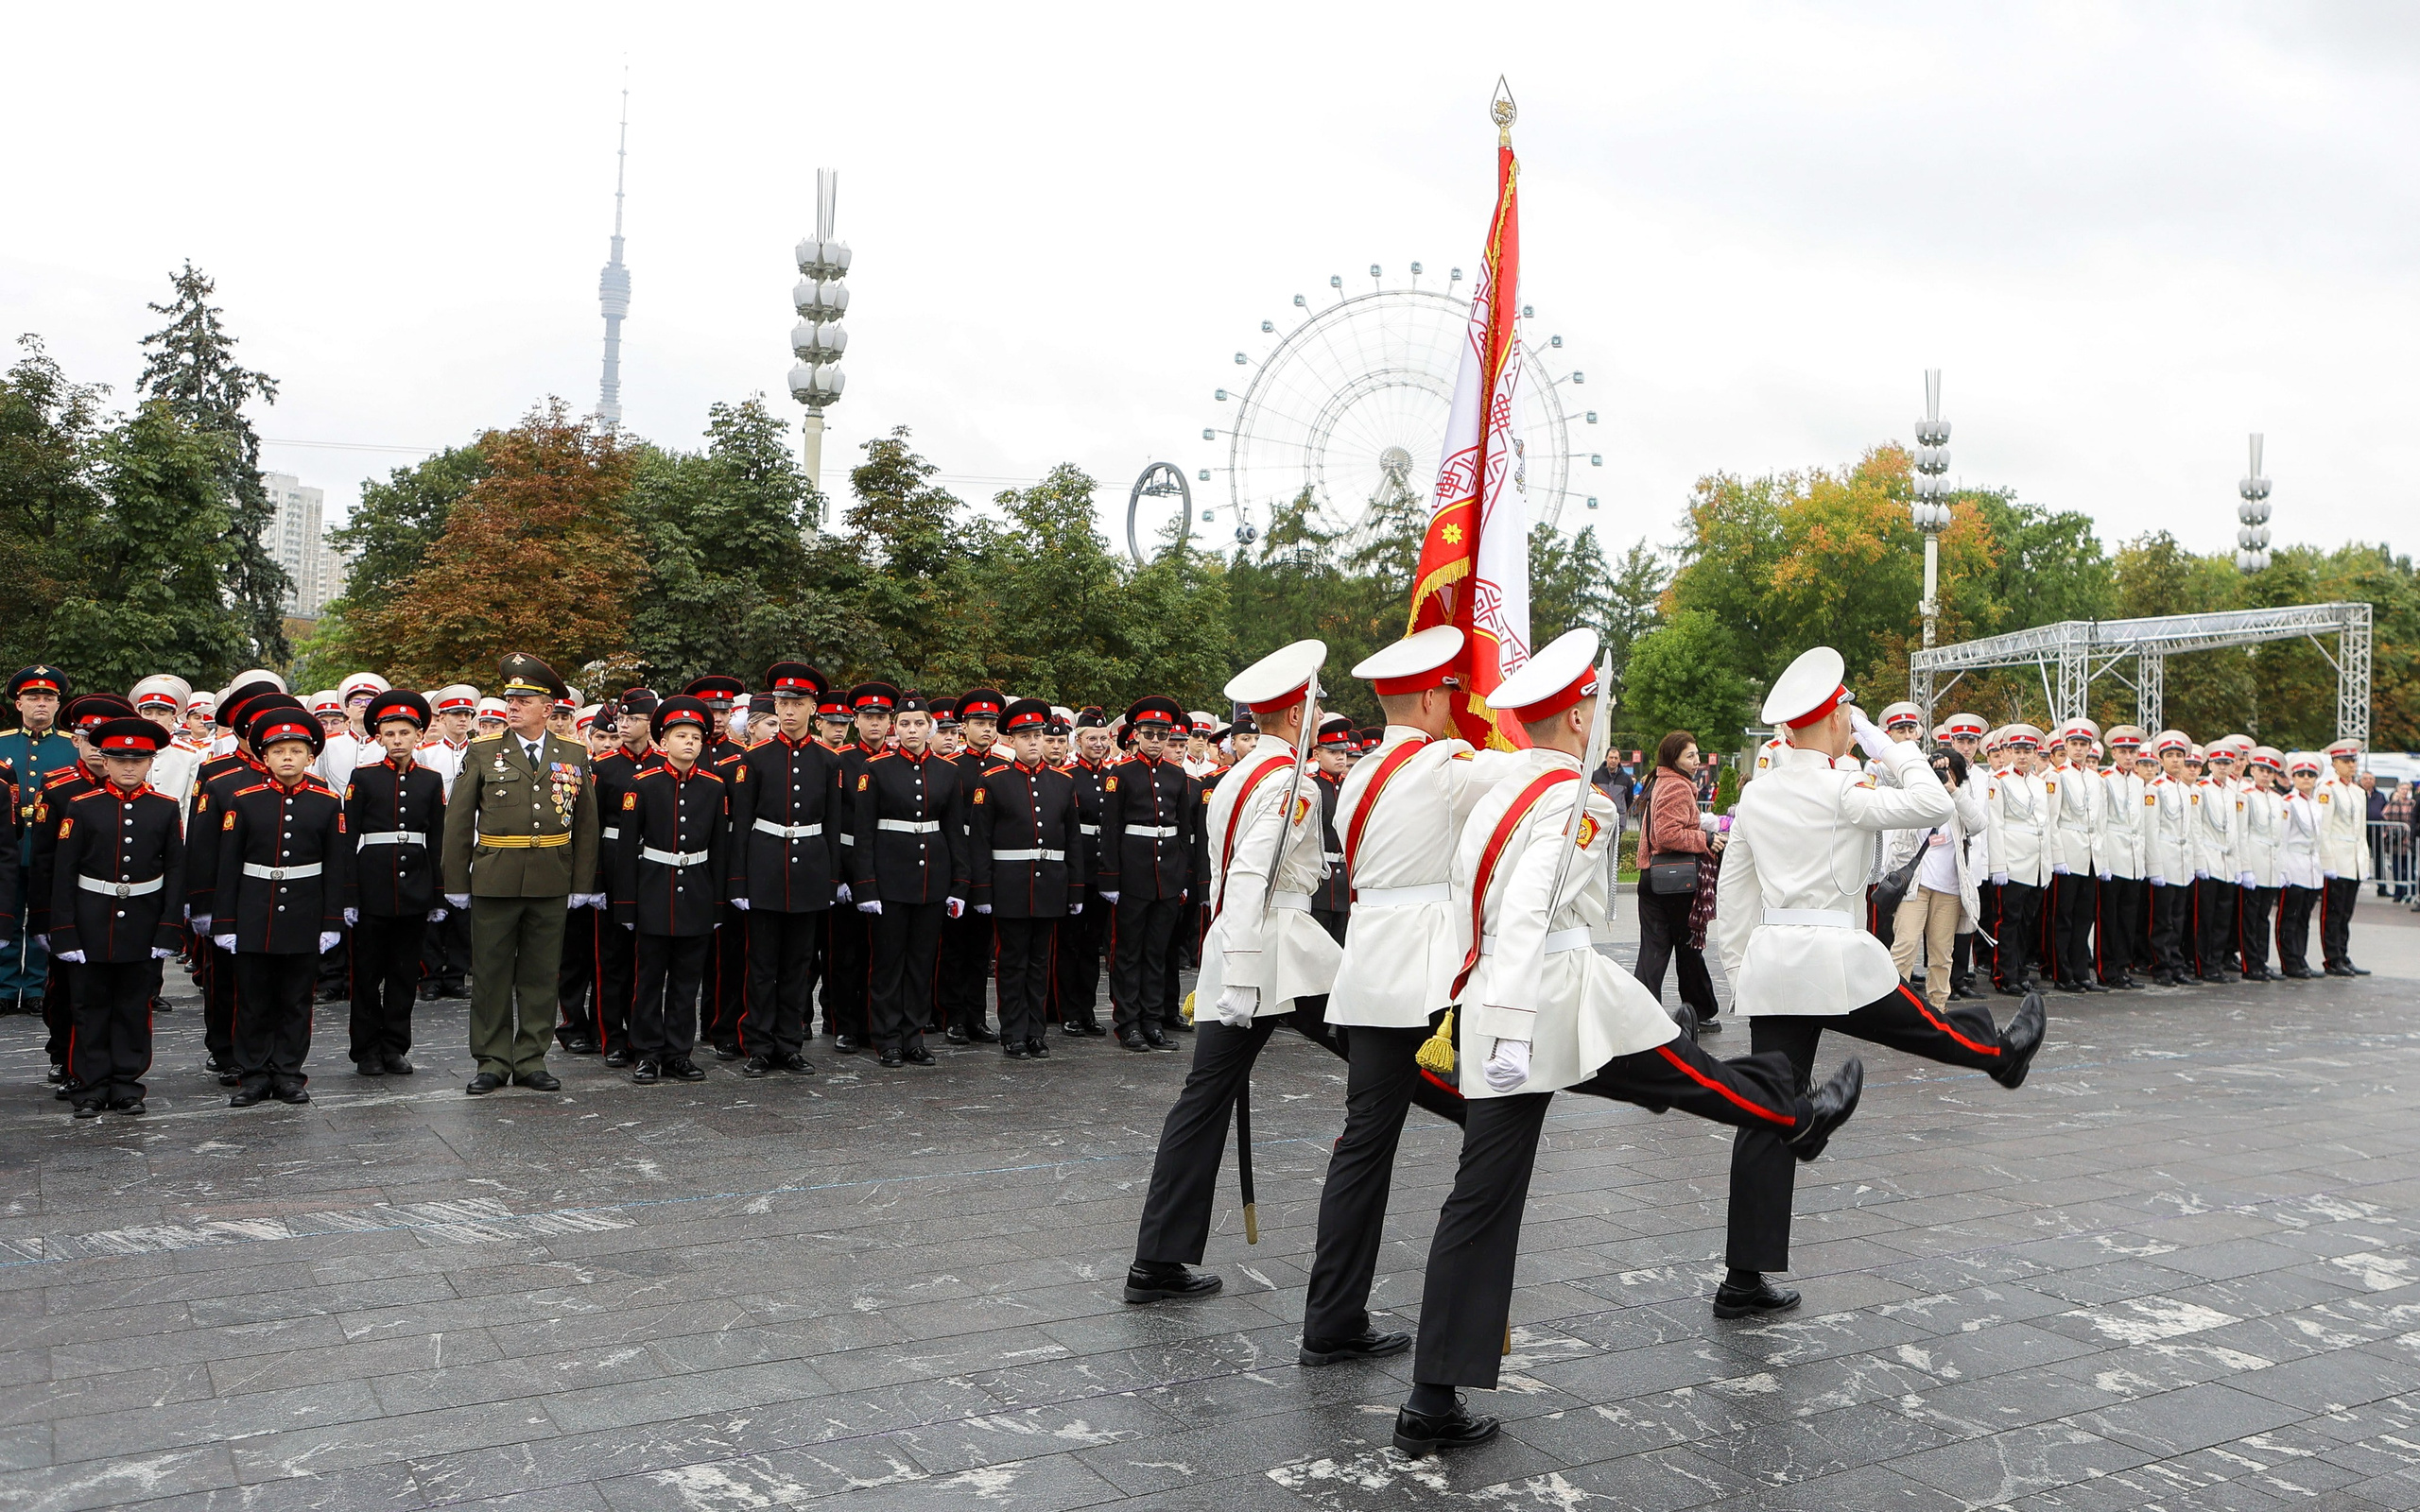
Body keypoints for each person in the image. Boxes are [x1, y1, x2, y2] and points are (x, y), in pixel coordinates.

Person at [1390, 629, 1865, 1456]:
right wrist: (1501, 1025)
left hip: (1497, 1006)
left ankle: (1431, 1399)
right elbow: (1534, 910)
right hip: (1552, 1003)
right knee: (1688, 1077)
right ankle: (1795, 1111)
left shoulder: (1496, 790)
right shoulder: (1579, 801)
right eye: (1592, 711)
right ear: (1578, 718)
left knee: (1482, 1196)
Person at [1712, 646, 2045, 1321]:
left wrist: (1740, 970)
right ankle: (2000, 1058)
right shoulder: (1842, 788)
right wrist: (1886, 745)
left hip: (1776, 962)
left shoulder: (1757, 792)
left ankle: (1742, 1279)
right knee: (1924, 1024)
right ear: (1834, 721)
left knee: (1766, 1115)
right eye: (1846, 715)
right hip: (1831, 958)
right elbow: (1931, 801)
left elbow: (1735, 892)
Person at [1298, 627, 1499, 1369]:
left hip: (1371, 968)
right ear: (1426, 697)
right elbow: (1535, 782)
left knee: (1363, 1146)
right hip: (1429, 974)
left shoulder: (1358, 772)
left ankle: (1331, 1318)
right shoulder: (1447, 764)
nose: (1458, 703)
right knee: (1497, 1122)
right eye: (1450, 691)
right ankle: (1464, 1325)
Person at [1125, 640, 1343, 1304]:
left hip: (1242, 948)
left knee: (1201, 1102)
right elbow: (1250, 878)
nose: (1317, 720)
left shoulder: (1240, 775)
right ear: (1295, 715)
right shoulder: (1290, 781)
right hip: (1277, 950)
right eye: (1313, 709)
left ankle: (1157, 1260)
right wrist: (1247, 974)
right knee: (1390, 1054)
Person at [440, 653, 600, 1096]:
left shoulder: (572, 753)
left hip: (552, 877)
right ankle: (491, 1060)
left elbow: (587, 825)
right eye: (510, 699)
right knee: (490, 974)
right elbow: (458, 821)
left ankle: (531, 1058)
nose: (512, 706)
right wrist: (455, 882)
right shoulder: (482, 751)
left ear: (548, 709)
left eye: (523, 700)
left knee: (540, 974)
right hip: (495, 877)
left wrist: (581, 885)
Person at [212, 702, 353, 1107]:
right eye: (277, 751)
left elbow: (334, 864)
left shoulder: (327, 802)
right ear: (263, 755)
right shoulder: (244, 800)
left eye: (295, 751)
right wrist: (225, 921)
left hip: (305, 912)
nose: (286, 757)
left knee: (295, 999)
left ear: (311, 756)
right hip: (254, 910)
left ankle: (289, 1072)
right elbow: (229, 864)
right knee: (253, 1000)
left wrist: (331, 920)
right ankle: (254, 1075)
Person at [46, 716, 183, 1117]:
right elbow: (64, 873)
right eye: (119, 759)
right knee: (87, 1007)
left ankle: (126, 1084)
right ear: (104, 761)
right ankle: (88, 1086)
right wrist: (64, 932)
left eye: (137, 760)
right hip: (90, 921)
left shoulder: (164, 808)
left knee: (133, 1007)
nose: (128, 767)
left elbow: (176, 871)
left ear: (150, 763)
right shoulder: (82, 806)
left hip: (142, 922)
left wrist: (169, 927)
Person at [727, 662, 845, 1077]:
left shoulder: (829, 761)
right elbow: (741, 823)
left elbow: (833, 824)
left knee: (798, 965)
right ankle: (758, 1045)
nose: (789, 711)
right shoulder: (755, 758)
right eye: (782, 702)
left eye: (798, 703)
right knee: (761, 964)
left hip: (810, 869)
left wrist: (831, 879)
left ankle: (790, 1043)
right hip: (764, 866)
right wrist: (738, 879)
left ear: (814, 708)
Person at [610, 696, 727, 1082]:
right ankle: (647, 1051)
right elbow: (628, 849)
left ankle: (679, 1051)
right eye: (681, 735)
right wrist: (626, 905)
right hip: (654, 891)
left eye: (696, 736)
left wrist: (717, 904)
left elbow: (719, 850)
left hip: (696, 891)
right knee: (648, 978)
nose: (690, 743)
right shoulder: (643, 784)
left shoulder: (713, 787)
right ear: (664, 741)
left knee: (685, 981)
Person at [854, 692, 970, 1068]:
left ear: (930, 727)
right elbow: (864, 832)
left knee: (922, 962)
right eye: (904, 723)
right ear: (894, 728)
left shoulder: (947, 771)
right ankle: (887, 1037)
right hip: (890, 879)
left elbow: (955, 833)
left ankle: (913, 1035)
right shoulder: (876, 768)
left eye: (919, 723)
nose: (912, 730)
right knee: (888, 962)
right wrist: (866, 884)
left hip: (931, 880)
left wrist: (959, 885)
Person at [967, 697, 1087, 1058]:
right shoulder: (993, 781)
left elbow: (1073, 840)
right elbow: (980, 841)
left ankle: (1036, 1031)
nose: (1034, 742)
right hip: (1010, 885)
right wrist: (982, 890)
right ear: (1011, 741)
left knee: (1039, 963)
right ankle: (1013, 1032)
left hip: (1050, 883)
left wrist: (1075, 887)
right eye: (1026, 736)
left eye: (1038, 734)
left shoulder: (1063, 784)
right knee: (1011, 962)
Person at [343, 689, 446, 1077]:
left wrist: (437, 893)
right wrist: (349, 894)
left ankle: (395, 1045)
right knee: (368, 974)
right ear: (379, 738)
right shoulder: (363, 778)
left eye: (405, 733)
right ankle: (366, 1049)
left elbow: (436, 839)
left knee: (405, 973)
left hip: (415, 887)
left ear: (419, 735)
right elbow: (347, 836)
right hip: (372, 885)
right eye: (390, 734)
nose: (398, 740)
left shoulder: (431, 781)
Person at [1098, 696, 1201, 1050]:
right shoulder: (1120, 775)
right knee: (1128, 953)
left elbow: (1184, 832)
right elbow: (1110, 830)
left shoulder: (1177, 777)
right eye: (1149, 733)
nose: (1156, 740)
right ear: (1136, 735)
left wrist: (1182, 877)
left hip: (1167, 876)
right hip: (1132, 874)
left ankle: (1153, 1021)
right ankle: (1128, 1023)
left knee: (1157, 952)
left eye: (1162, 734)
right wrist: (1110, 877)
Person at [821, 682, 897, 1052]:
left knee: (881, 952)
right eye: (868, 717)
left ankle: (874, 1023)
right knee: (846, 953)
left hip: (886, 866)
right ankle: (844, 1024)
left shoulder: (897, 761)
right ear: (856, 721)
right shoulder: (842, 761)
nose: (874, 724)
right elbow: (832, 823)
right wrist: (837, 876)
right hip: (849, 862)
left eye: (881, 717)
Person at [1634, 730, 1723, 1034]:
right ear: (1674, 758)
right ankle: (1700, 1010)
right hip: (1674, 881)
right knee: (1688, 946)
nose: (1697, 761)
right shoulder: (1677, 786)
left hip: (1653, 877)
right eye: (1690, 755)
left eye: (1697, 754)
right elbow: (1667, 834)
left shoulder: (1661, 781)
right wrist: (1706, 838)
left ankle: (1641, 1013)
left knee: (1655, 949)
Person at [3, 666, 78, 1017]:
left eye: (49, 698)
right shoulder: (2, 743)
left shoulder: (72, 747)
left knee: (42, 921)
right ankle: (4, 987)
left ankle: (36, 987)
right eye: (33, 698)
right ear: (19, 703)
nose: (41, 704)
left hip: (51, 848)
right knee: (6, 917)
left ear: (58, 704)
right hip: (8, 848)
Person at [1886, 748, 1986, 1010]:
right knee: (1904, 946)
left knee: (1942, 954)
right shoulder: (1916, 797)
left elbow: (1977, 824)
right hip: (1915, 886)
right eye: (1939, 773)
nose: (1942, 778)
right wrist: (1925, 768)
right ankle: (1897, 1007)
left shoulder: (1960, 801)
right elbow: (1891, 780)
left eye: (1948, 773)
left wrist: (1953, 789)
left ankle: (1938, 1006)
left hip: (1949, 889)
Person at [938, 686, 1006, 1044]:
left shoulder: (1002, 767)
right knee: (954, 946)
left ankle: (977, 1016)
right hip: (956, 859)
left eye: (991, 722)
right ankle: (954, 1016)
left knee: (981, 948)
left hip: (990, 862)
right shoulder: (951, 768)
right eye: (979, 722)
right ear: (964, 727)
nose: (986, 729)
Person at [1050, 707, 1115, 1037]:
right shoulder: (1067, 776)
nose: (1098, 744)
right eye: (1092, 738)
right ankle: (1068, 1011)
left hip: (1102, 868)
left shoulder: (1112, 776)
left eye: (1103, 738)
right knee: (1070, 943)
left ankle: (1087, 1009)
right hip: (1076, 867)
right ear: (1078, 741)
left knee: (1093, 945)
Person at [1984, 727, 2050, 994]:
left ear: (2036, 754)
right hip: (2012, 861)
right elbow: (1995, 825)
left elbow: (2044, 825)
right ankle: (2004, 974)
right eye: (2017, 751)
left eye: (2028, 751)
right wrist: (1998, 866)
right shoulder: (1999, 781)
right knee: (2008, 921)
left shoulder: (2038, 782)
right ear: (2008, 752)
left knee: (2026, 921)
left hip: (2036, 864)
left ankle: (2021, 971)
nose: (2022, 756)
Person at [2046, 720, 2105, 993]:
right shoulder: (2057, 776)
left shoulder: (2096, 779)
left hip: (2090, 853)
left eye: (2084, 745)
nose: (2079, 749)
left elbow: (2101, 821)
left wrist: (2101, 858)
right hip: (2068, 851)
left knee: (2084, 916)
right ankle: (2062, 973)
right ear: (2066, 746)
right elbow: (2052, 820)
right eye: (2074, 744)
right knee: (2064, 916)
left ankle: (2081, 972)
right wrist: (2058, 857)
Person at [2097, 727, 2150, 990]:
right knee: (2110, 916)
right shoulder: (2105, 779)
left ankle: (2123, 966)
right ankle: (2106, 968)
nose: (2129, 756)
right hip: (2113, 852)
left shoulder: (2139, 782)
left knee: (2128, 916)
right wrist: (2103, 860)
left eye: (2133, 751)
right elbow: (2102, 822)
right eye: (2123, 751)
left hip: (2133, 855)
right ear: (2113, 752)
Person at [2144, 730, 2198, 985]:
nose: (2176, 760)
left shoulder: (2186, 790)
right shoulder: (2155, 789)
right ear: (2160, 759)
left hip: (2182, 859)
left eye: (2179, 756)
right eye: (2170, 756)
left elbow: (2190, 830)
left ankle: (2176, 964)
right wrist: (2155, 867)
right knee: (2162, 919)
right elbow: (2152, 830)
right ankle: (2160, 965)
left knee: (2178, 917)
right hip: (2164, 858)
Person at [2316, 739, 2372, 974]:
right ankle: (2332, 957)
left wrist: (2364, 860)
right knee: (2333, 911)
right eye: (2346, 761)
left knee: (2346, 912)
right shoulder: (2327, 789)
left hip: (2354, 859)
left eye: (2353, 761)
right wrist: (2327, 862)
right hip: (2337, 857)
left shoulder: (2358, 792)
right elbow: (2324, 829)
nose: (2351, 765)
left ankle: (2343, 953)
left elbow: (2361, 830)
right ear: (2334, 763)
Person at [2192, 737, 2245, 983]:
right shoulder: (2201, 790)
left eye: (2227, 763)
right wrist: (2200, 862)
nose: (2223, 767)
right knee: (2206, 917)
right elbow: (2197, 829)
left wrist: (2239, 864)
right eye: (2218, 763)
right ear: (2209, 764)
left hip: (2227, 861)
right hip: (2210, 858)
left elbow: (2236, 831)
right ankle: (2203, 963)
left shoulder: (2233, 792)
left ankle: (2216, 961)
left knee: (2223, 916)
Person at [2238, 747, 2285, 981]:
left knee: (2263, 916)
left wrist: (2282, 868)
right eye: (2261, 770)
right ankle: (2250, 963)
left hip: (2271, 864)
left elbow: (2280, 836)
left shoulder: (2278, 799)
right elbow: (2243, 833)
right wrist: (2246, 867)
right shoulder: (2245, 796)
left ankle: (2262, 961)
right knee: (2250, 916)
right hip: (2254, 861)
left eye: (2270, 771)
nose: (2266, 775)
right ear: (2253, 770)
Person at [2277, 752, 2325, 977]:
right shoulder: (2288, 803)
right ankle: (2289, 961)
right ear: (2293, 778)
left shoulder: (2315, 805)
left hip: (2311, 866)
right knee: (2290, 916)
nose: (2306, 778)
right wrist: (2283, 869)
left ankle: (2301, 957)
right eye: (2301, 775)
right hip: (2294, 864)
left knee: (2304, 916)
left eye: (2310, 775)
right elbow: (2283, 839)